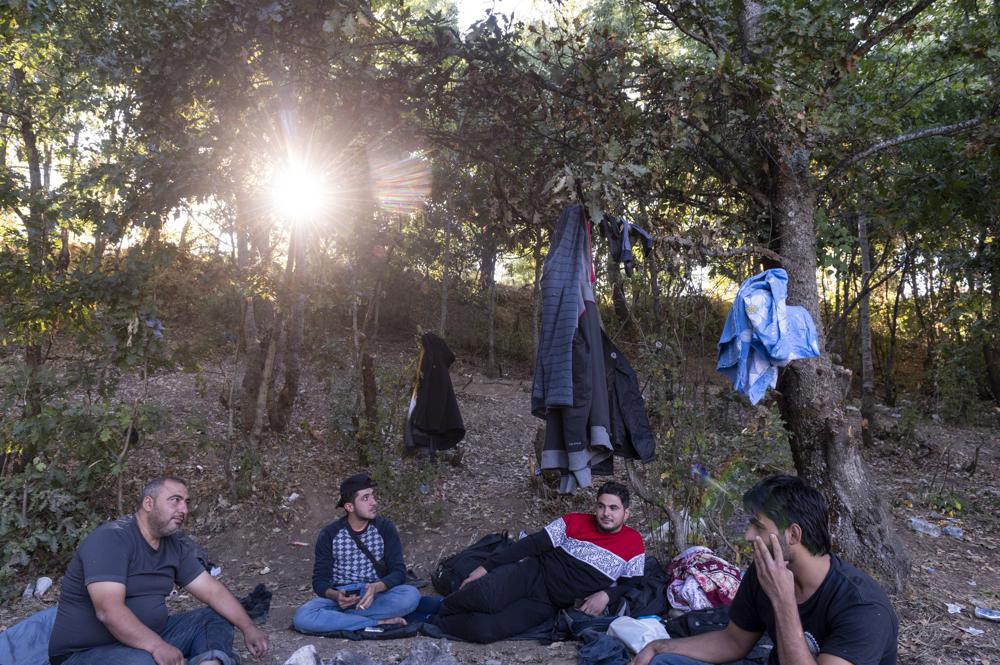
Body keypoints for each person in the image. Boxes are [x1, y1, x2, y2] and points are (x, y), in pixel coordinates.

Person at [631, 475, 898, 665]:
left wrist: (783, 601)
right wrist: (659, 646)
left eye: (758, 527)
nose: (748, 536)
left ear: (793, 534)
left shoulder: (862, 606)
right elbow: (734, 642)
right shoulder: (764, 572)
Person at [48, 476, 268, 665]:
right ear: (148, 503)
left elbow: (213, 592)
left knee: (213, 617)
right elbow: (109, 610)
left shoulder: (174, 546)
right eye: (175, 501)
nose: (184, 509)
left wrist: (248, 627)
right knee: (144, 661)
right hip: (86, 653)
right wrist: (157, 646)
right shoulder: (111, 539)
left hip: (150, 637)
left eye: (186, 503)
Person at [431, 480, 645, 643]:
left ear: (626, 513)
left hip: (548, 602)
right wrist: (485, 567)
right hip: (532, 573)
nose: (606, 513)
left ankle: (434, 624)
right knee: (482, 596)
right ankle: (438, 610)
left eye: (613, 508)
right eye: (601, 506)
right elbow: (531, 544)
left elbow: (632, 582)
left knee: (485, 631)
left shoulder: (634, 543)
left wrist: (607, 595)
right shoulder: (573, 521)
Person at [293, 473, 420, 633]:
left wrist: (376, 587)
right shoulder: (330, 534)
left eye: (373, 496)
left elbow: (399, 572)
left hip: (375, 595)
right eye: (366, 498)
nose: (374, 503)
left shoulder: (384, 528)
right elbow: (320, 581)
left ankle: (342, 620)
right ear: (349, 507)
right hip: (341, 597)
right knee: (303, 617)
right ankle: (377, 622)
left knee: (410, 596)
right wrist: (336, 596)